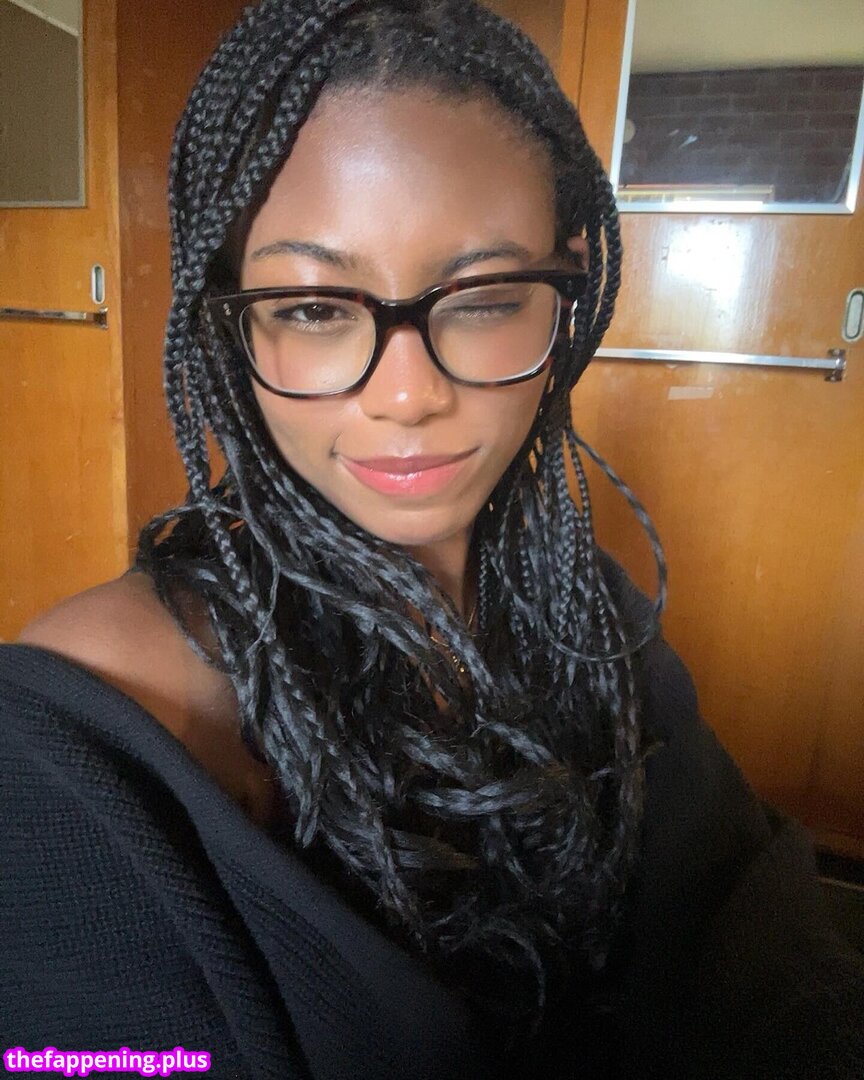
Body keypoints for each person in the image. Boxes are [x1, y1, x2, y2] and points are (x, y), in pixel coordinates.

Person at [1, 1, 862, 1077]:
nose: (406, 394)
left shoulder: (584, 605)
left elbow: (750, 940)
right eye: (314, 308)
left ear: (567, 288)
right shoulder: (92, 730)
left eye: (485, 297)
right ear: (232, 325)